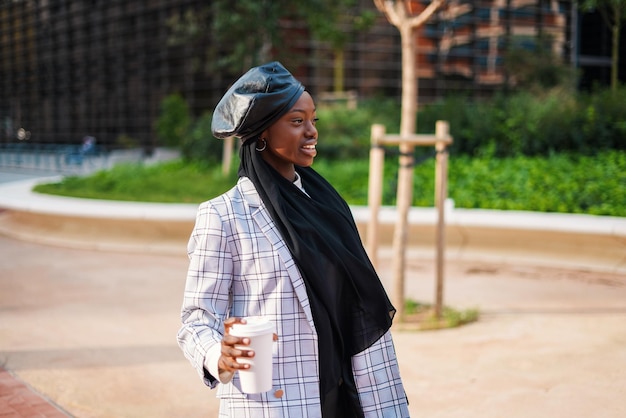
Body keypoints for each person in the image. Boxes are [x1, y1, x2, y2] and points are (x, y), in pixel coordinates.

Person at [177, 61, 410, 417]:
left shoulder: (326, 205)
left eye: (314, 121)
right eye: (297, 121)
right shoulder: (224, 216)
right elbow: (197, 319)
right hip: (277, 404)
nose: (312, 132)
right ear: (264, 132)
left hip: (352, 396)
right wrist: (218, 356)